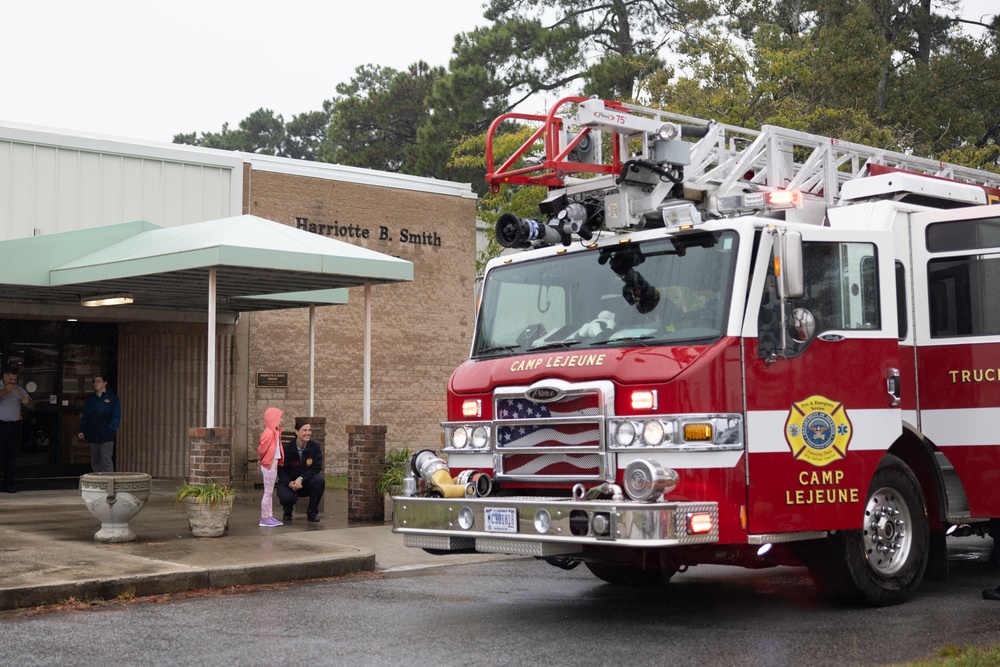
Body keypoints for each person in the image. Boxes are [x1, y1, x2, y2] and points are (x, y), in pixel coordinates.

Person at [277, 418, 325, 523]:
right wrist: (290, 482)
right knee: (287, 498)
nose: (308, 433)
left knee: (319, 480)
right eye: (304, 430)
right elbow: (281, 470)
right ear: (297, 432)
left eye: (309, 430)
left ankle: (312, 513)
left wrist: (301, 478)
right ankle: (288, 512)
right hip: (289, 483)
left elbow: (316, 468)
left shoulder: (315, 447)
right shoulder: (287, 448)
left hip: (305, 483)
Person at [76, 374, 122, 472]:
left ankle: (109, 482)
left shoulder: (112, 398)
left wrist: (110, 428)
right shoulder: (91, 399)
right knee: (95, 460)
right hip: (93, 433)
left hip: (107, 435)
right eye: (94, 381)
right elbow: (86, 416)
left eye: (98, 381)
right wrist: (82, 430)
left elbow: (116, 416)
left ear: (105, 383)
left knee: (106, 459)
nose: (95, 383)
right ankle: (98, 482)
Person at [0, 366, 31, 493]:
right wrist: (5, 391)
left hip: (14, 426)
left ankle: (9, 484)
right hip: (0, 425)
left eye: (15, 379)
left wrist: (26, 400)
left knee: (11, 455)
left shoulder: (19, 389)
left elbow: (30, 402)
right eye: (11, 379)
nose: (13, 382)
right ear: (4, 376)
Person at [257, 407, 284, 527]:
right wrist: (262, 461)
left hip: (272, 463)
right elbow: (262, 449)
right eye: (279, 417)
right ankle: (264, 517)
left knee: (269, 491)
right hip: (269, 464)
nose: (281, 419)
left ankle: (269, 516)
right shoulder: (269, 432)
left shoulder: (275, 432)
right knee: (267, 492)